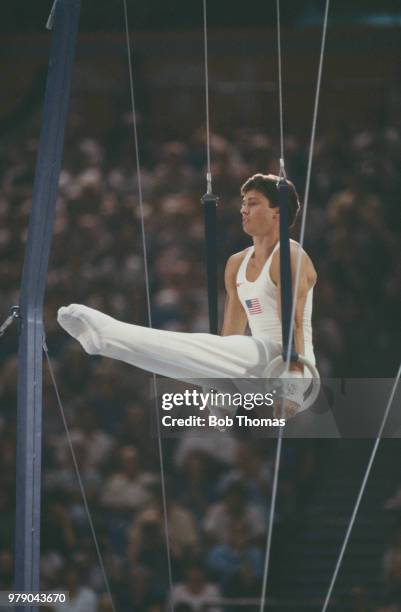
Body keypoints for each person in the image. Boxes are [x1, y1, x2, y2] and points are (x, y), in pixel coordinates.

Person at [58, 174, 317, 414]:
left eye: (253, 203)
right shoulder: (236, 263)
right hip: (251, 368)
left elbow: (291, 320)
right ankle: (106, 344)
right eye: (243, 203)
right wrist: (221, 387)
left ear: (277, 213)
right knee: (175, 363)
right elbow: (230, 335)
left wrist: (292, 384)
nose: (243, 210)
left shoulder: (291, 256)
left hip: (286, 363)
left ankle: (109, 331)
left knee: (201, 349)